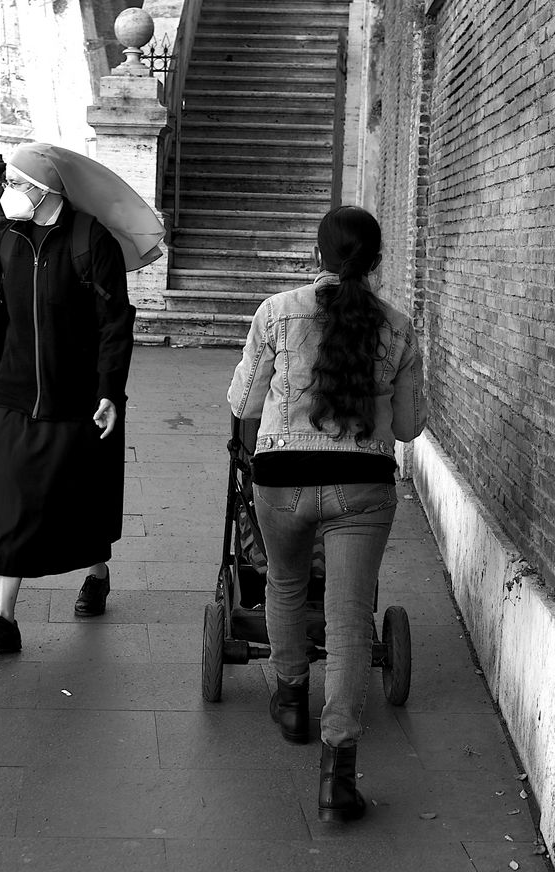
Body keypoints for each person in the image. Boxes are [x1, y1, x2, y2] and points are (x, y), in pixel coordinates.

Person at [227, 205, 426, 822]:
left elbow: (242, 400)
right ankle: (338, 774)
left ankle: (291, 702)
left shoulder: (277, 313)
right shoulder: (399, 327)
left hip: (282, 479)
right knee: (347, 621)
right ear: (376, 261)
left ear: (318, 257)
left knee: (284, 584)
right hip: (362, 487)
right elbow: (409, 426)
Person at [0, 142, 165, 654]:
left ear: (44, 190)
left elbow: (114, 323)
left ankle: (96, 571)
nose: (8, 193)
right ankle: (4, 619)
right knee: (7, 502)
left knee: (75, 500)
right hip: (16, 396)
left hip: (74, 399)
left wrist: (108, 392)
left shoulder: (88, 240)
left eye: (16, 184)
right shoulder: (8, 240)